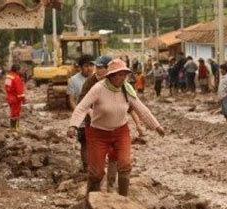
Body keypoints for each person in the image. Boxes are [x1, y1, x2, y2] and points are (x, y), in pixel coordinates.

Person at [67, 59, 165, 197]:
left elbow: (141, 108)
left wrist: (156, 126)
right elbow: (82, 107)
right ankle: (90, 204)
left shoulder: (126, 88)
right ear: (110, 75)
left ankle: (123, 199)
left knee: (125, 164)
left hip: (120, 131)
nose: (121, 78)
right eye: (117, 75)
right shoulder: (98, 88)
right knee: (96, 172)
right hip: (98, 133)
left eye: (123, 75)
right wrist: (73, 125)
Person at [78, 55, 146, 193]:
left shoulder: (122, 86)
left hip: (117, 128)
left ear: (109, 69)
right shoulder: (93, 84)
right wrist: (87, 116)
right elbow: (82, 105)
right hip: (94, 126)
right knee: (95, 164)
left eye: (100, 67)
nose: (97, 70)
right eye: (96, 67)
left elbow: (132, 106)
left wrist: (139, 124)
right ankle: (92, 195)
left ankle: (111, 187)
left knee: (117, 158)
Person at [4, 64, 26, 131]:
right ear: (17, 70)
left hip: (9, 97)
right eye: (20, 70)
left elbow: (6, 87)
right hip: (15, 99)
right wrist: (23, 99)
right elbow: (19, 91)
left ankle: (12, 128)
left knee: (12, 112)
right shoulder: (16, 78)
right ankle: (15, 128)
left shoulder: (8, 76)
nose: (20, 71)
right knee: (16, 113)